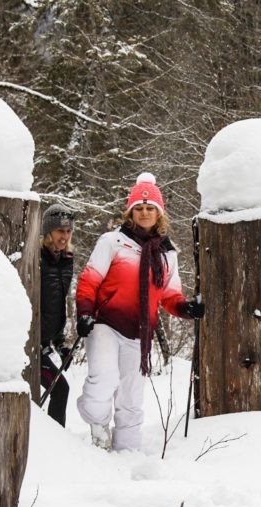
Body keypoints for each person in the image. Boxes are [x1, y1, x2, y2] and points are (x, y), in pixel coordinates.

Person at [75, 173, 204, 450]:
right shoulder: (113, 241)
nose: (144, 212)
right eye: (139, 208)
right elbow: (90, 279)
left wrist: (186, 308)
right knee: (104, 377)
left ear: (159, 213)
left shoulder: (167, 254)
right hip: (105, 323)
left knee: (131, 396)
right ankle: (98, 429)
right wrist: (84, 312)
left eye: (150, 208)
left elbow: (170, 295)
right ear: (131, 211)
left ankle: (127, 451)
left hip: (139, 332)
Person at [39, 203, 76, 427]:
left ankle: (54, 441)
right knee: (59, 389)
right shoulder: (36, 258)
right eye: (60, 231)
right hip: (28, 347)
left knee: (60, 389)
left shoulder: (66, 260)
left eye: (69, 231)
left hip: (44, 343)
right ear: (48, 232)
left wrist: (61, 344)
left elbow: (57, 305)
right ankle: (53, 443)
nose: (65, 236)